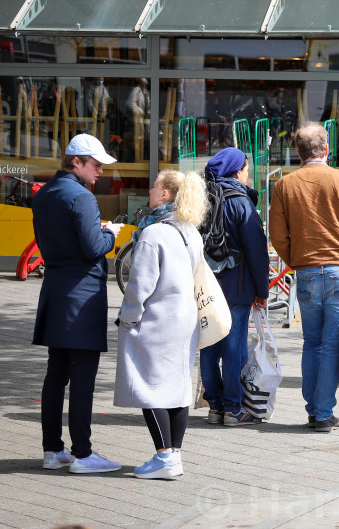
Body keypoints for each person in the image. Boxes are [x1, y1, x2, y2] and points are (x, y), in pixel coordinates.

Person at [269, 124, 339, 432]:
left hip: (308, 272)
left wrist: (297, 261)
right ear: (326, 149)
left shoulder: (285, 185)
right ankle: (323, 411)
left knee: (311, 343)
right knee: (331, 345)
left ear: (298, 152)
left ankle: (314, 409)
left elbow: (277, 235)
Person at [31, 133, 124, 474]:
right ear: (76, 162)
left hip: (56, 292)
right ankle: (83, 454)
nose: (100, 171)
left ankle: (53, 450)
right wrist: (111, 234)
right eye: (95, 165)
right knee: (82, 378)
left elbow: (56, 241)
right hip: (82, 296)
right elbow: (92, 247)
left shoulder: (44, 195)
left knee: (56, 375)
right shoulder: (81, 198)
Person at [114, 169, 209, 479]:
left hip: (157, 318)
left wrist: (128, 318)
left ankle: (164, 455)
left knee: (150, 386)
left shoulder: (154, 234)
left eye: (154, 187)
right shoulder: (190, 231)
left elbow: (139, 284)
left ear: (166, 194)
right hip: (185, 317)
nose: (150, 191)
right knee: (177, 385)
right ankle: (174, 454)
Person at [200, 147, 270, 426]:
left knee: (208, 343)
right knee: (233, 345)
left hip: (205, 284)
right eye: (246, 169)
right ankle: (233, 407)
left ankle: (214, 405)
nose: (248, 174)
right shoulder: (241, 202)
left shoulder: (202, 198)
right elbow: (257, 251)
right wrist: (262, 291)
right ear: (236, 171)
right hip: (236, 285)